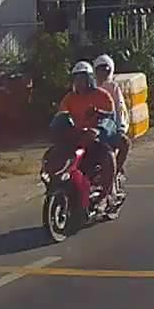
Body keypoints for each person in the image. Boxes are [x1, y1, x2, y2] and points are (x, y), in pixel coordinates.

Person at [58, 61, 117, 209]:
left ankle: (105, 195)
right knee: (53, 158)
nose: (79, 83)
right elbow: (61, 116)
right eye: (76, 79)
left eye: (82, 79)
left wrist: (98, 130)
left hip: (96, 140)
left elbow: (110, 118)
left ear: (89, 79)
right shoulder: (69, 98)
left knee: (108, 157)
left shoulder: (102, 96)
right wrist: (56, 129)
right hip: (76, 139)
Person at [92, 54, 131, 178]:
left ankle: (115, 173)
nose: (102, 73)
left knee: (124, 143)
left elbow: (120, 109)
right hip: (91, 128)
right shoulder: (89, 87)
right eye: (99, 70)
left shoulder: (113, 87)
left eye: (106, 70)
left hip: (109, 129)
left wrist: (121, 128)